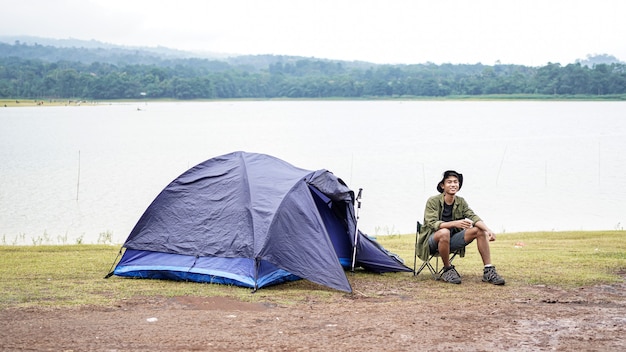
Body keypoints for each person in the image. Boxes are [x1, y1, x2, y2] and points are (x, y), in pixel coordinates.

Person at [416, 170, 505, 285]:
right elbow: (433, 223)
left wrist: (488, 230)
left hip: (450, 242)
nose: (453, 184)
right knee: (444, 232)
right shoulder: (432, 201)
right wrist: (454, 223)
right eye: (449, 182)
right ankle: (447, 270)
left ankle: (488, 271)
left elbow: (473, 216)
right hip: (432, 242)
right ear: (443, 185)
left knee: (479, 230)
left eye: (455, 182)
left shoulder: (461, 202)